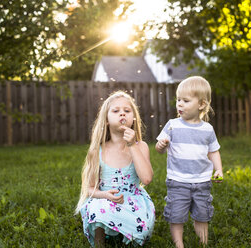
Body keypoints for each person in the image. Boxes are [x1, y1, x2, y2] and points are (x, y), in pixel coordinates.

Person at [75, 90, 155, 247]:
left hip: (133, 200)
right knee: (97, 207)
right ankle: (100, 242)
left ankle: (127, 234)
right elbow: (89, 189)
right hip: (106, 199)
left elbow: (146, 179)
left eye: (127, 111)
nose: (122, 114)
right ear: (106, 120)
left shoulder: (141, 146)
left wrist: (132, 145)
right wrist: (104, 194)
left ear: (133, 118)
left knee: (141, 228)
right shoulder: (97, 150)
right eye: (116, 111)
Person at [155, 76, 223, 248]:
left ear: (201, 104)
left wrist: (219, 169)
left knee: (202, 215)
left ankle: (203, 242)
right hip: (178, 180)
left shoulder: (208, 129)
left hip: (202, 182)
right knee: (176, 215)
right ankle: (179, 244)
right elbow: (159, 149)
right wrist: (161, 145)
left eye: (185, 100)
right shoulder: (172, 125)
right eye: (178, 100)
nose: (180, 104)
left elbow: (214, 151)